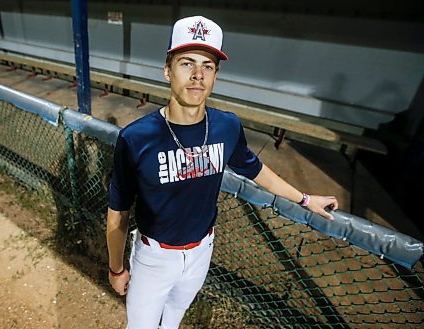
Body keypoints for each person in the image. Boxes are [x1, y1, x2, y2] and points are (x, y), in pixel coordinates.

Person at [106, 15, 339, 329]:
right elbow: (117, 214)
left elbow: (256, 170)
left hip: (202, 250)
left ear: (215, 76)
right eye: (187, 63)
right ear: (167, 70)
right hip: (153, 258)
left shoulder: (227, 126)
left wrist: (306, 198)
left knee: (173, 320)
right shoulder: (136, 138)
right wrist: (117, 269)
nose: (198, 75)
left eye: (208, 66)